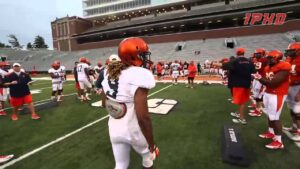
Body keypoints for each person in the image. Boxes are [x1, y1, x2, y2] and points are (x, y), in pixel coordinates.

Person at [96, 37, 159, 169]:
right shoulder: (139, 73)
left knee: (120, 165)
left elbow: (104, 103)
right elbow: (143, 118)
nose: (145, 58)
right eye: (142, 55)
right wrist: (152, 145)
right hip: (134, 130)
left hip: (114, 128)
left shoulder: (107, 71)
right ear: (132, 56)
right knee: (148, 159)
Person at [253, 50, 291, 149]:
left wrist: (259, 78)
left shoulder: (284, 66)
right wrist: (261, 78)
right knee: (270, 115)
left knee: (275, 117)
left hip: (277, 94)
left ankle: (279, 142)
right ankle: (271, 132)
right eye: (268, 57)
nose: (268, 59)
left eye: (270, 58)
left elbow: (274, 83)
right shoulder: (268, 67)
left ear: (276, 58)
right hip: (268, 92)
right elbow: (267, 81)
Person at [215, 48, 255, 124]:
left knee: (241, 101)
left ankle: (242, 118)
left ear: (237, 53)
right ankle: (238, 113)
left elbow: (224, 65)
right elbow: (253, 71)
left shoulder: (235, 61)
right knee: (242, 100)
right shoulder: (249, 61)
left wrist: (213, 63)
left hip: (238, 83)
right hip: (247, 83)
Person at [284, 42, 300, 141]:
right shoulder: (289, 59)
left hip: (298, 87)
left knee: (298, 112)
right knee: (292, 109)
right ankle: (294, 128)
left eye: (291, 50)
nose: (289, 52)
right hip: (290, 86)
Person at [249, 48, 268, 117]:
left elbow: (257, 69)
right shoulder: (258, 60)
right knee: (256, 95)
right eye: (256, 53)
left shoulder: (263, 60)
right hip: (257, 79)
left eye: (258, 53)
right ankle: (257, 108)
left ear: (262, 53)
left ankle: (258, 111)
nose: (256, 55)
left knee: (258, 96)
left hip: (261, 80)